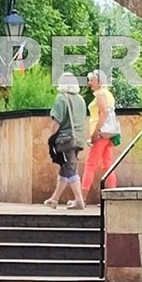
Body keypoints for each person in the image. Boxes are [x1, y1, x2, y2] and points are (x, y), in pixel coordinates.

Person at [69, 69, 121, 207]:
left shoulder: (100, 94)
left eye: (92, 80)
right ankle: (112, 198)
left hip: (101, 134)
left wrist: (95, 133)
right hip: (109, 134)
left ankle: (81, 199)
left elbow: (103, 114)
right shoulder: (108, 94)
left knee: (90, 165)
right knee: (107, 165)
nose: (89, 82)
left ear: (99, 81)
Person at [43, 73, 89, 209]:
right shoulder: (81, 100)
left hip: (65, 140)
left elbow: (57, 121)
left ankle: (79, 201)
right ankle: (54, 199)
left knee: (70, 169)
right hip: (78, 139)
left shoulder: (61, 99)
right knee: (65, 168)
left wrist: (51, 136)